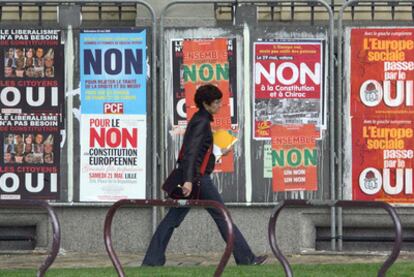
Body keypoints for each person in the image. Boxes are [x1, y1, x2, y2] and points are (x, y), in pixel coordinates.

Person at [142, 84, 267, 266]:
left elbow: (198, 153)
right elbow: (191, 154)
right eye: (216, 102)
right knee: (222, 216)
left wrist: (216, 155)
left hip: (194, 179)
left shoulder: (199, 119)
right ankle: (246, 258)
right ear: (205, 103)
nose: (219, 105)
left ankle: (152, 260)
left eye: (219, 102)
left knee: (172, 219)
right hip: (198, 181)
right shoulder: (201, 122)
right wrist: (188, 181)